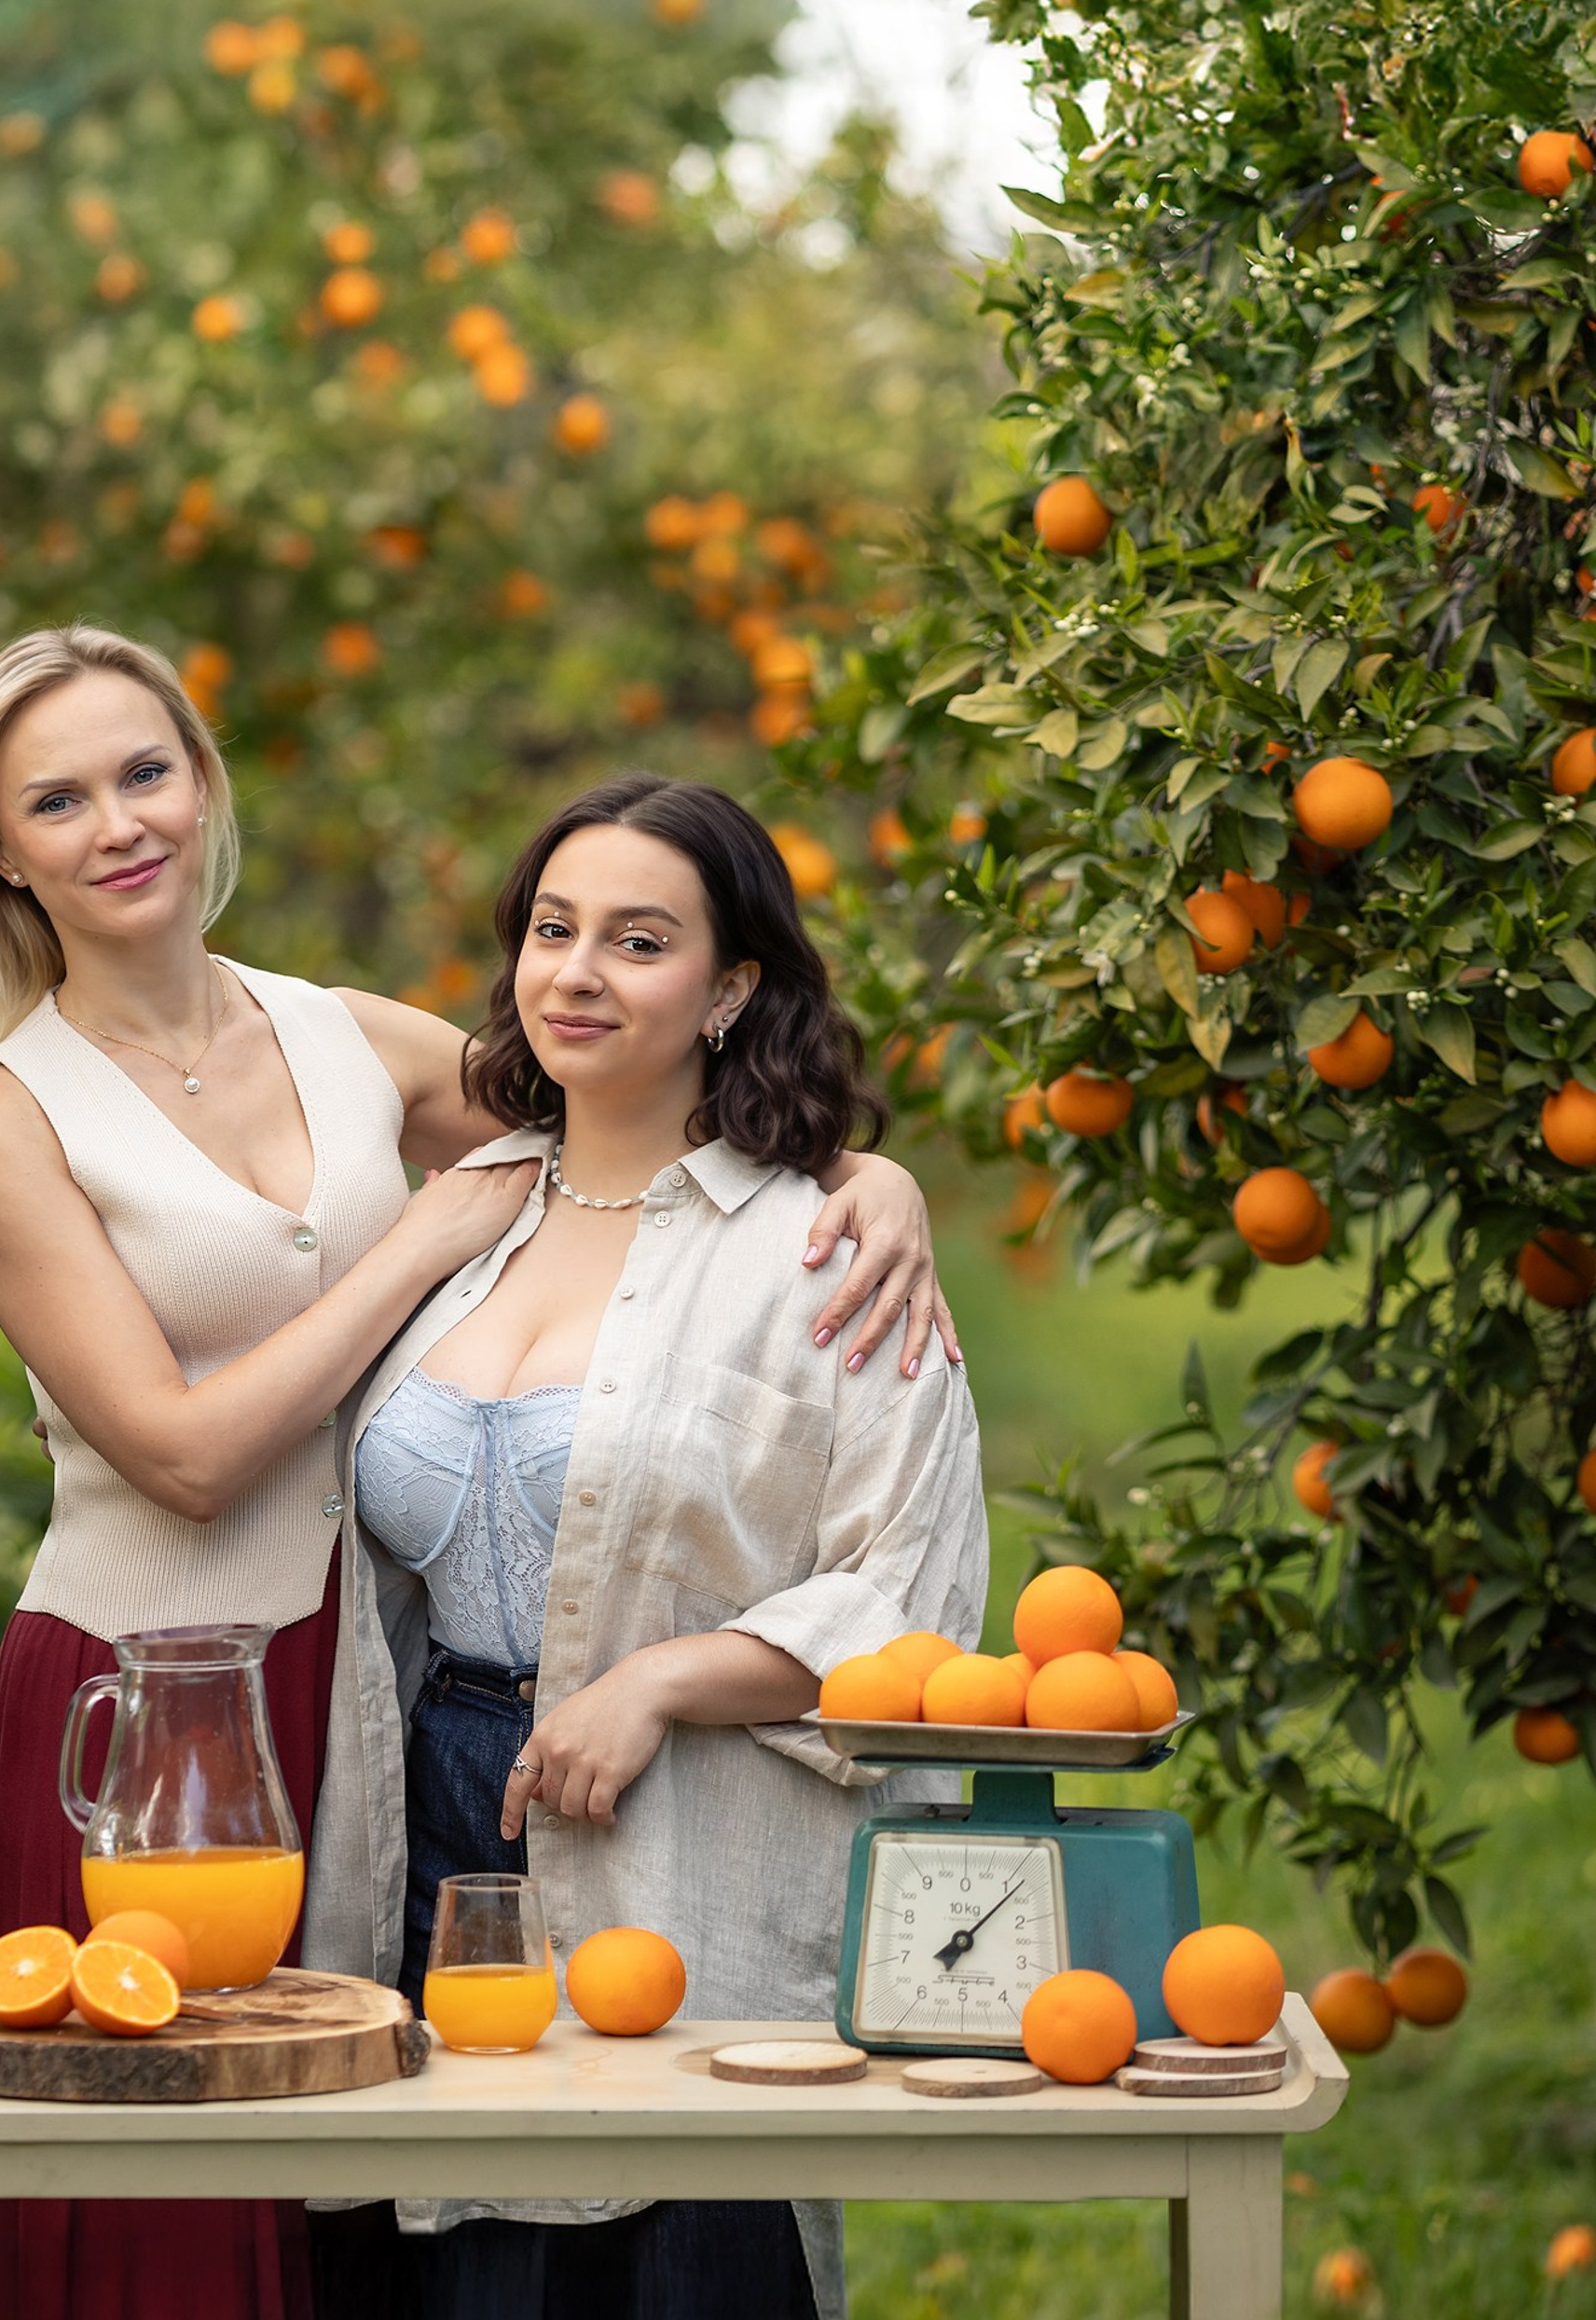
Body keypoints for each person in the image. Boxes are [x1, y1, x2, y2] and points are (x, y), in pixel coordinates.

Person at [0, 627, 962, 2320]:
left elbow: (623, 1092)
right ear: (0, 847)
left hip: (366, 1672)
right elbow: (186, 1453)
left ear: (204, 786)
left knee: (371, 2225)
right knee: (187, 2241)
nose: (118, 824)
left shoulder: (342, 1034)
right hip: (153, 1707)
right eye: (55, 800)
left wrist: (875, 1176)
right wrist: (414, 1242)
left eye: (147, 772)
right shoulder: (10, 1114)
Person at [303, 774, 990, 2320]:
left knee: (677, 2248)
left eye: (639, 940)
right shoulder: (460, 1221)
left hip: (679, 1823)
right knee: (455, 2258)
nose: (579, 974)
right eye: (553, 931)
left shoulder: (823, 1245)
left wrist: (665, 1679)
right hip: (433, 1817)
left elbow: (914, 1584)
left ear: (732, 987)